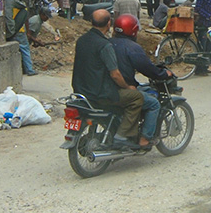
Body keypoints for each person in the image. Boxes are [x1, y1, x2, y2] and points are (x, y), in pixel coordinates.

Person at [70, 9, 144, 149]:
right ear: (109, 23)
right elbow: (115, 74)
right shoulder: (105, 45)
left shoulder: (82, 40)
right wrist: (127, 87)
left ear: (91, 22)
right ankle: (122, 136)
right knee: (136, 97)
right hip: (100, 94)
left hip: (81, 91)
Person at [110, 14, 170, 148]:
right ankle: (145, 139)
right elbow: (146, 68)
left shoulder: (108, 43)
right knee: (153, 103)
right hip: (121, 90)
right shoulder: (132, 47)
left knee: (142, 89)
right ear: (133, 30)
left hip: (106, 88)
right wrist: (162, 73)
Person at [3, 0, 36, 76]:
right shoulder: (14, 1)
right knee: (25, 49)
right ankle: (29, 69)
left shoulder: (4, 0)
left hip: (9, 30)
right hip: (18, 30)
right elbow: (24, 7)